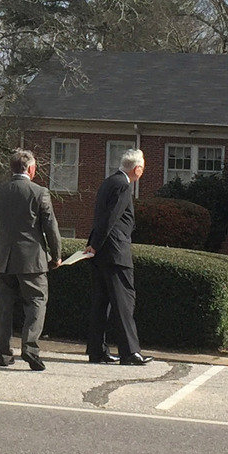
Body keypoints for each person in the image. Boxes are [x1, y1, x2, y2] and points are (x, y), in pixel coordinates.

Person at [0, 148, 62, 371]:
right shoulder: (39, 192)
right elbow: (51, 227)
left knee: (4, 308)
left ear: (12, 168)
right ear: (32, 169)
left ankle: (4, 353)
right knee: (36, 303)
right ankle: (30, 349)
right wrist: (56, 255)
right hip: (33, 261)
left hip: (4, 259)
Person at [85, 147, 148, 365]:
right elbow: (111, 218)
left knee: (101, 303)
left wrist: (93, 245)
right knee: (124, 302)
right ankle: (129, 352)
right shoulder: (123, 186)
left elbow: (100, 218)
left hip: (101, 253)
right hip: (115, 253)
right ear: (137, 169)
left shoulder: (108, 182)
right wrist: (95, 244)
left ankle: (97, 350)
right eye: (142, 168)